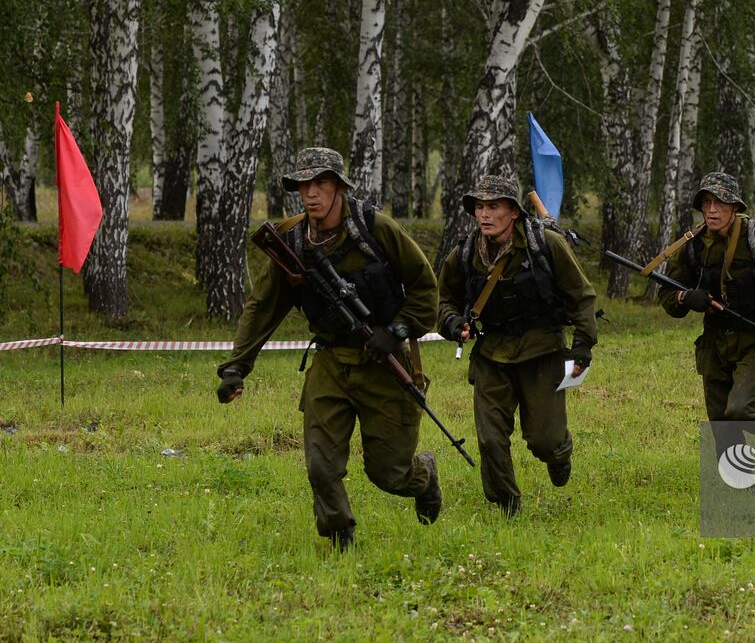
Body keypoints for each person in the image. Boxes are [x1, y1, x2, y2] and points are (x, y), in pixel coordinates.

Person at [216, 147, 441, 551]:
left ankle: (424, 475)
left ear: (338, 186)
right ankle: (341, 536)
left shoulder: (376, 228)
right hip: (330, 362)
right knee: (321, 465)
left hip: (384, 363)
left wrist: (396, 330)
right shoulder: (291, 241)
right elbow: (263, 305)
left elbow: (426, 288)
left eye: (320, 183)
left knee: (389, 474)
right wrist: (236, 367)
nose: (311, 193)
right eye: (304, 185)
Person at [437, 175, 598, 517]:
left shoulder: (546, 245)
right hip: (492, 354)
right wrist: (453, 323)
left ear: (513, 211)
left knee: (544, 440)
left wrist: (583, 344)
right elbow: (444, 300)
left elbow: (580, 296)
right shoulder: (465, 253)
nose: (484, 215)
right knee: (490, 439)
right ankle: (507, 503)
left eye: (493, 207)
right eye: (479, 207)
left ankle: (559, 453)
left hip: (541, 351)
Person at [660, 171, 755, 468]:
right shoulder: (692, 246)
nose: (712, 210)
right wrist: (686, 298)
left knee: (742, 409)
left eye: (721, 203)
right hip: (715, 340)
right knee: (721, 420)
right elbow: (668, 297)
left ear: (735, 207)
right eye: (707, 202)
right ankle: (740, 484)